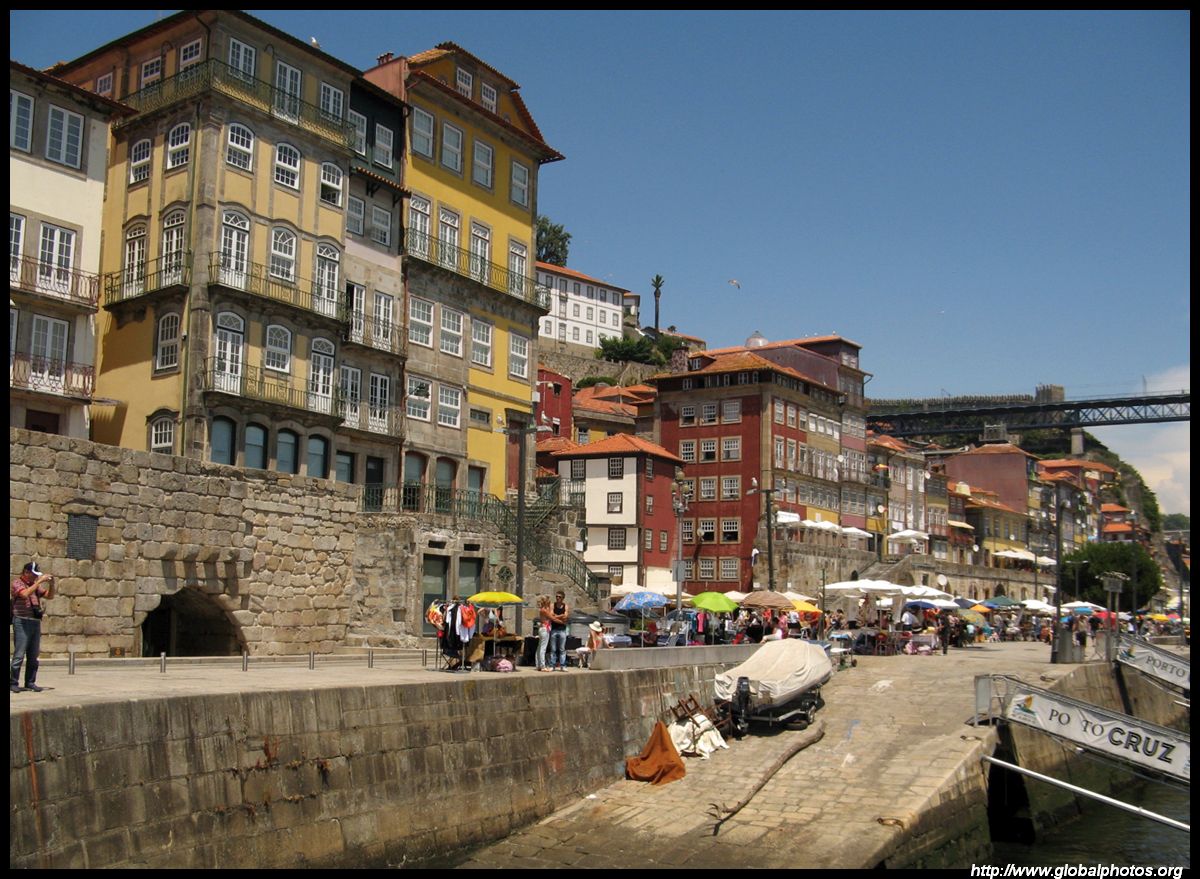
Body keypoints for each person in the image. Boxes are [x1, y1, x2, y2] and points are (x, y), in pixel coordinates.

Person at [11, 561, 53, 693]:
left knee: (33, 655)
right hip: (21, 621)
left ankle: (30, 682)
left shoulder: (34, 586)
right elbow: (24, 594)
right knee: (19, 654)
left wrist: (52, 584)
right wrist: (39, 581)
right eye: (34, 574)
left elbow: (50, 596)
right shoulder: (17, 583)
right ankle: (13, 682)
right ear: (26, 572)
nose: (35, 577)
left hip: (35, 622)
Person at [549, 591, 569, 671]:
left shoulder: (565, 606)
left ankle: (562, 665)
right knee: (553, 649)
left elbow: (566, 616)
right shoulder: (552, 605)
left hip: (562, 630)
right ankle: (552, 665)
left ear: (563, 598)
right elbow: (551, 615)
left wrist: (556, 616)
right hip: (554, 629)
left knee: (562, 649)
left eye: (559, 597)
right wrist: (561, 617)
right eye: (557, 596)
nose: (558, 598)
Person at [535, 596, 553, 672]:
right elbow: (551, 616)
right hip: (545, 629)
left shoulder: (542, 609)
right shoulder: (544, 610)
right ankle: (542, 666)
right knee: (543, 648)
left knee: (539, 647)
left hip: (543, 628)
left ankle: (538, 665)